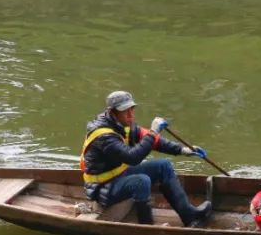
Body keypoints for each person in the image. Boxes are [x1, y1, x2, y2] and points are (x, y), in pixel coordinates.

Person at [81, 90, 213, 227]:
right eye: (125, 111)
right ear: (112, 112)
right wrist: (153, 131)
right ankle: (147, 226)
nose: (130, 115)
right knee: (141, 182)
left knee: (164, 165)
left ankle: (190, 216)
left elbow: (153, 141)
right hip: (102, 188)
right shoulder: (103, 136)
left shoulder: (123, 125)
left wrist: (182, 150)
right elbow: (133, 158)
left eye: (132, 109)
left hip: (120, 176)